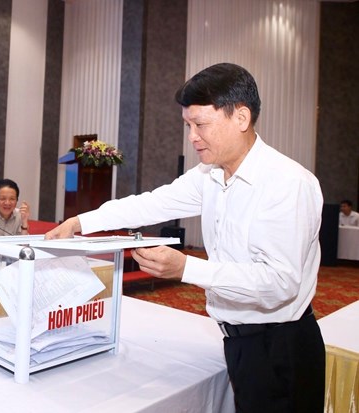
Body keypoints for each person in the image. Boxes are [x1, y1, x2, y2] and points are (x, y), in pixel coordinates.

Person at [46, 63, 325, 412]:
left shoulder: (287, 183)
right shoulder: (209, 174)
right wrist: (81, 221)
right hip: (237, 341)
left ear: (241, 117)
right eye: (188, 126)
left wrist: (185, 268)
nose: (192, 136)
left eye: (201, 125)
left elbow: (279, 283)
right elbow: (153, 203)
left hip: (281, 346)